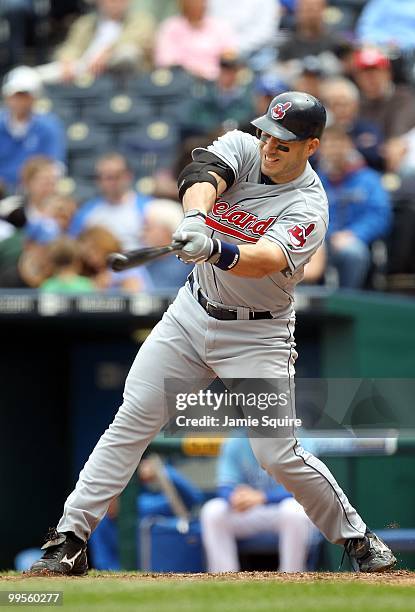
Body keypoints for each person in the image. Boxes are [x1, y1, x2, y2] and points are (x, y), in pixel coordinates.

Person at [29, 91, 396, 576]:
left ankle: (357, 538)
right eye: (268, 132)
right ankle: (69, 538)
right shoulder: (246, 145)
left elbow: (265, 259)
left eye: (285, 141)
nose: (270, 145)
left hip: (257, 336)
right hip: (192, 314)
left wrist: (217, 249)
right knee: (132, 420)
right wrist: (197, 219)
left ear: (312, 146)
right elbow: (201, 175)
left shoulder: (310, 204)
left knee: (278, 455)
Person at [201, 435, 315, 572]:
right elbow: (225, 485)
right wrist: (234, 497)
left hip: (282, 510)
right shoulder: (236, 441)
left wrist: (262, 497)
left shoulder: (298, 440)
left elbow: (303, 487)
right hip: (248, 511)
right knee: (213, 510)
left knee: (294, 511)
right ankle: (225, 579)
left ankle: (292, 577)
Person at [318, 126, 391, 288]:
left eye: (337, 144)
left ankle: (346, 303)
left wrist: (354, 234)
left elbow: (380, 216)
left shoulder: (369, 179)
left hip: (352, 239)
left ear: (349, 145)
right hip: (321, 240)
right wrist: (327, 236)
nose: (333, 150)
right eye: (328, 144)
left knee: (353, 254)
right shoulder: (316, 180)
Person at [36, 0, 155, 84]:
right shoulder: (85, 23)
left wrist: (109, 53)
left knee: (127, 54)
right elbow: (70, 47)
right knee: (29, 76)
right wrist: (67, 60)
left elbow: (138, 41)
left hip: (118, 68)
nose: (116, 3)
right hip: (82, 67)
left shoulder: (142, 20)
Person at [0, 67, 65, 193]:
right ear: (7, 97)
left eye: (25, 95)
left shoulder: (49, 126)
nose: (19, 101)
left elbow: (55, 165)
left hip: (34, 191)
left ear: (34, 98)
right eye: (16, 95)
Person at [69, 153, 150, 251]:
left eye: (116, 176)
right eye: (106, 177)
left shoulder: (149, 208)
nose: (112, 182)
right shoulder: (86, 212)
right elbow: (75, 245)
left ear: (129, 176)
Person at [154, 0, 237, 81]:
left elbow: (230, 55)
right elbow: (165, 62)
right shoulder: (170, 27)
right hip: (182, 83)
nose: (196, 4)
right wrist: (194, 73)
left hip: (215, 84)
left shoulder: (220, 26)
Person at [321, 77, 384, 171]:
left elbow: (377, 156)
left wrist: (348, 149)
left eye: (344, 104)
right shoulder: (322, 130)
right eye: (335, 104)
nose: (340, 110)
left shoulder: (367, 128)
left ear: (355, 104)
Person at [353, 48, 415, 141]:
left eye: (375, 72)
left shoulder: (404, 98)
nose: (371, 79)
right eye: (364, 74)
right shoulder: (355, 102)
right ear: (357, 78)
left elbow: (399, 134)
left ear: (388, 74)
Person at [140, 198, 190, 292]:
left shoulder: (187, 264)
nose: (143, 233)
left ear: (167, 231)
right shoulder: (143, 260)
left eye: (148, 228)